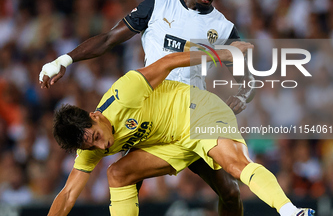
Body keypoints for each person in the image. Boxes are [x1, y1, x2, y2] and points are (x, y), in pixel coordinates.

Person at [40, 0, 254, 215]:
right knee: (125, 178)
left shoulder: (223, 27)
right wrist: (65, 59)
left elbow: (247, 78)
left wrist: (244, 95)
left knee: (230, 191)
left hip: (189, 115)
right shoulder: (157, 6)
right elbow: (109, 38)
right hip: (147, 110)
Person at [47, 46, 315, 216]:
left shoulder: (123, 93)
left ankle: (290, 211)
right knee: (117, 173)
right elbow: (68, 195)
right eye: (92, 147)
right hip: (172, 142)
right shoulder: (88, 146)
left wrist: (220, 54)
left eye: (96, 137)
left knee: (234, 168)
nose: (102, 147)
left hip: (196, 110)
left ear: (95, 116)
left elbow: (170, 61)